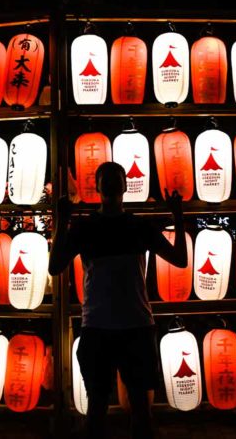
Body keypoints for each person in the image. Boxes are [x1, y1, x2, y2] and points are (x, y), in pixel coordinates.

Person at [49, 162, 187, 439]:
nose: (112, 184)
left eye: (115, 179)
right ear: (100, 187)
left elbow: (181, 260)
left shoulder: (98, 227)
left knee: (115, 411)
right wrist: (178, 217)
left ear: (122, 186)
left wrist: (65, 220)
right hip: (124, 326)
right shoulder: (131, 226)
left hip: (112, 326)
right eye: (107, 179)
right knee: (119, 410)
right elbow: (55, 267)